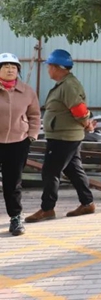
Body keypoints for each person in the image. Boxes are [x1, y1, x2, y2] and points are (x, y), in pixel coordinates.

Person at [25, 49, 97, 224]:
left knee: (50, 171)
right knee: (73, 170)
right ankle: (87, 203)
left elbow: (79, 109)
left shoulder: (68, 86)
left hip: (64, 137)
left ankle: (47, 209)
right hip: (65, 136)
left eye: (49, 66)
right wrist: (85, 123)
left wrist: (86, 123)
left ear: (57, 67)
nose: (48, 70)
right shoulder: (64, 84)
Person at [0, 53, 40, 236]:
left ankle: (15, 218)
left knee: (13, 182)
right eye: (5, 66)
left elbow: (34, 115)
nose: (10, 70)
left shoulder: (27, 91)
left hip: (18, 142)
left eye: (13, 67)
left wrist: (31, 136)